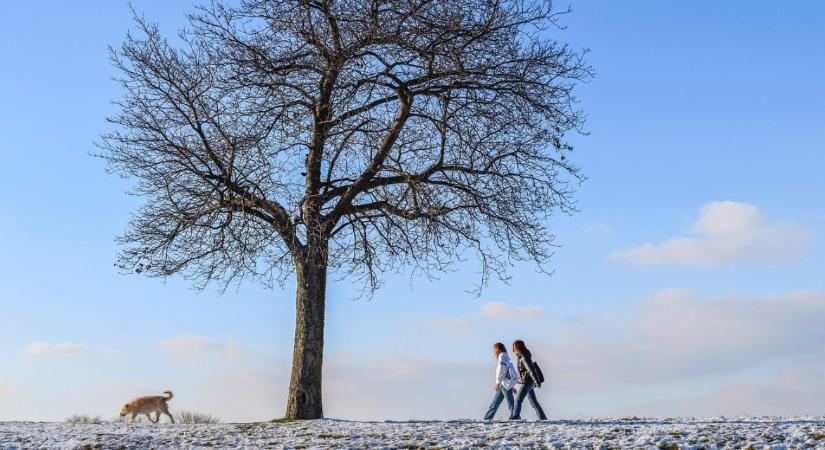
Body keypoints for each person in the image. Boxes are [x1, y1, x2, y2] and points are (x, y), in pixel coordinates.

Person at [509, 339, 547, 420]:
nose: (512, 348)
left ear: (517, 347)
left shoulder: (524, 357)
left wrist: (537, 382)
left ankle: (515, 416)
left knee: (518, 400)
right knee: (534, 402)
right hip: (528, 381)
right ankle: (543, 418)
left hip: (528, 381)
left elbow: (531, 370)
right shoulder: (521, 356)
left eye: (513, 346)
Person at [483, 342, 517, 420]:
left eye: (494, 349)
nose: (493, 351)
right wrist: (513, 385)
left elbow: (502, 370)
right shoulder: (506, 356)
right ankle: (487, 418)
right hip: (506, 383)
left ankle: (515, 417)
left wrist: (498, 382)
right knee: (495, 403)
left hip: (504, 383)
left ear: (498, 349)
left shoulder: (502, 356)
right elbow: (511, 370)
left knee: (510, 404)